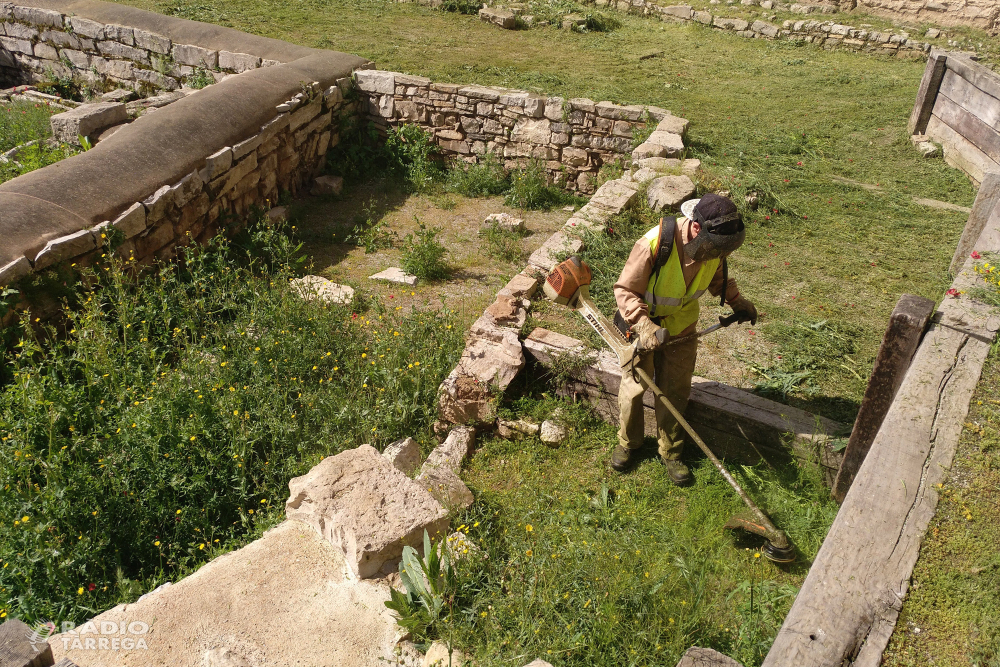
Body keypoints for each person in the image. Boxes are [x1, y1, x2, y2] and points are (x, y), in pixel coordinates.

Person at [610, 193, 756, 484]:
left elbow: (717, 276)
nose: (717, 255)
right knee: (634, 389)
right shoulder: (653, 244)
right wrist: (643, 325)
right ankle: (629, 443)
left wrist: (736, 301)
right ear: (697, 228)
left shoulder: (714, 247)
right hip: (643, 327)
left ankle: (671, 452)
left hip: (683, 327)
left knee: (675, 390)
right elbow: (625, 290)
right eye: (715, 250)